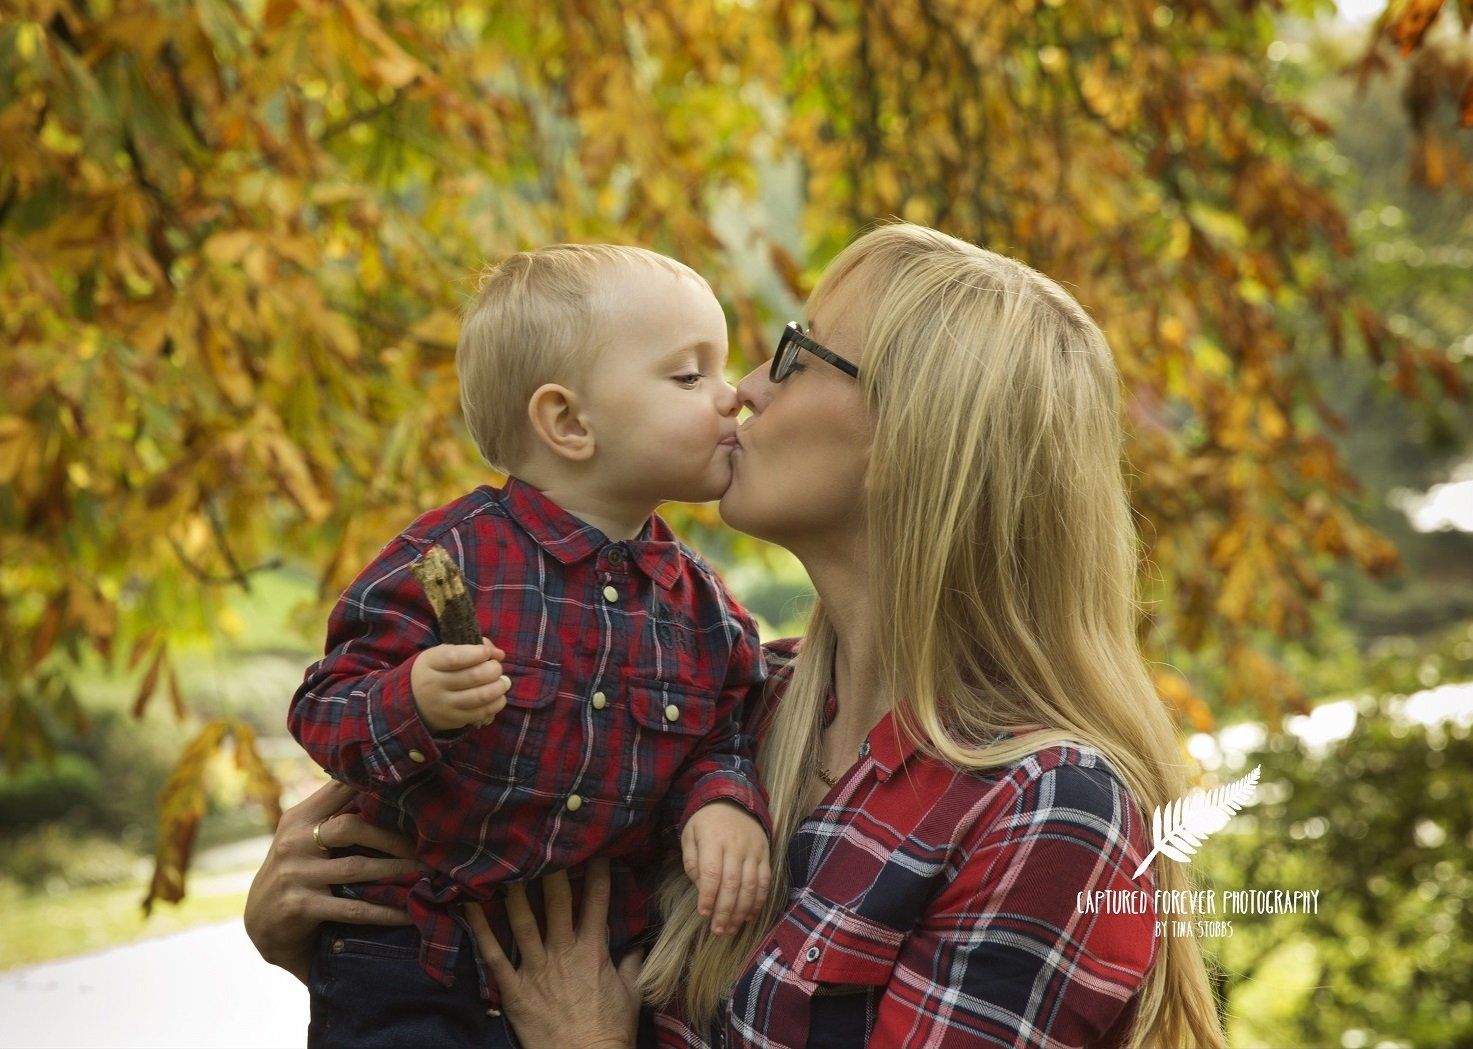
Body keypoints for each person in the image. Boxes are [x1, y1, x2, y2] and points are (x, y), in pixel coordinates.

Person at [249, 224, 1228, 1048]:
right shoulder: (733, 700)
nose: (747, 388)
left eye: (798, 354)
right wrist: (329, 922)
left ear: (909, 436)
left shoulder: (1045, 804)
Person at [285, 244, 774, 1048]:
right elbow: (323, 708)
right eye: (690, 377)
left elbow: (718, 730)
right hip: (413, 958)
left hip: (602, 970)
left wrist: (722, 801)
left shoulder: (702, 608)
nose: (731, 399)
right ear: (569, 422)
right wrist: (413, 701)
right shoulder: (451, 557)